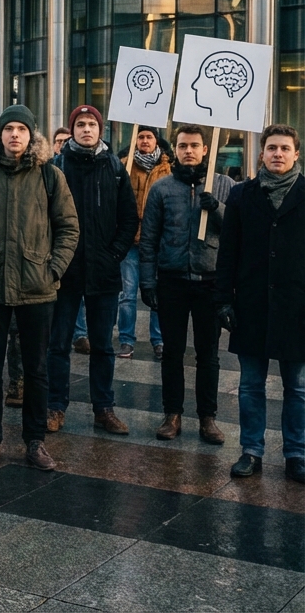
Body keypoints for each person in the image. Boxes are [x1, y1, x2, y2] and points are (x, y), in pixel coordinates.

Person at [0, 105, 79, 471]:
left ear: (32, 136)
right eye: (8, 129)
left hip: (36, 288)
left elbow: (69, 228)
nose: (14, 135)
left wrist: (52, 270)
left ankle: (35, 441)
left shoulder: (50, 176)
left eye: (21, 129)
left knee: (36, 369)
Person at [216, 124, 305, 483]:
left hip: (297, 306)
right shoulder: (242, 195)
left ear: (296, 154)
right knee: (251, 384)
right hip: (252, 303)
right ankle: (251, 450)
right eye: (272, 148)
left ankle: (296, 453)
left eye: (285, 148)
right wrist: (223, 299)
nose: (278, 154)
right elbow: (228, 252)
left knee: (297, 387)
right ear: (262, 153)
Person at [46, 105, 138, 437]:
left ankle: (104, 408)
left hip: (104, 272)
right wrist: (55, 259)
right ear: (71, 131)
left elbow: (129, 219)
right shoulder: (56, 167)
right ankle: (55, 406)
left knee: (102, 345)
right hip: (65, 272)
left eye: (92, 124)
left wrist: (114, 254)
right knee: (57, 344)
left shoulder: (114, 167)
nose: (87, 129)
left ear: (101, 130)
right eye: (80, 124)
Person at [140, 124, 233, 445]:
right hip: (172, 280)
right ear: (175, 150)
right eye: (183, 146)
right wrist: (147, 281)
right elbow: (149, 238)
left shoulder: (224, 186)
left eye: (195, 145)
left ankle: (208, 418)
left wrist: (217, 209)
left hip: (210, 282)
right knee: (172, 352)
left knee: (209, 354)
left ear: (206, 149)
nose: (189, 151)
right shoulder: (162, 189)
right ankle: (173, 414)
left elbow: (238, 233)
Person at [121, 126, 170, 359]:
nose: (144, 140)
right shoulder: (124, 164)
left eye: (149, 136)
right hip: (130, 240)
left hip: (158, 240)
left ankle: (159, 340)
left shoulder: (168, 168)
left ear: (156, 141)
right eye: (140, 136)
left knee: (158, 293)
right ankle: (126, 340)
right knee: (128, 295)